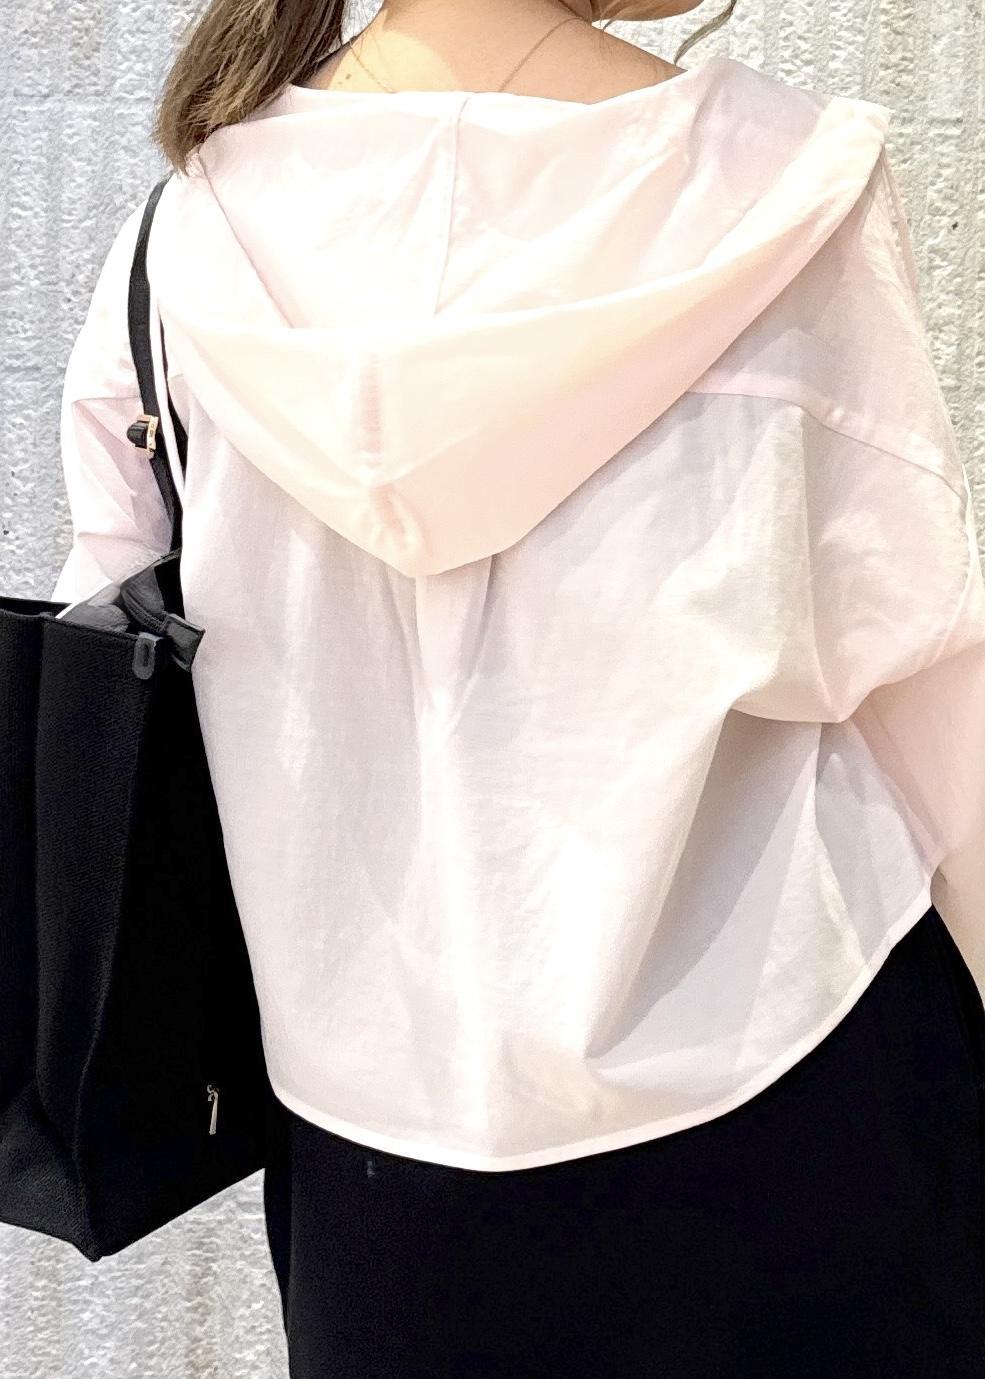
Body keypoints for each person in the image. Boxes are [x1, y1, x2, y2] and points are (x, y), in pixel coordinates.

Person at [51, 0, 985, 1373]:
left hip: (376, 1157)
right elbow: (916, 664)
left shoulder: (184, 241)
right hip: (798, 1050)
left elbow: (112, 668)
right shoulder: (786, 184)